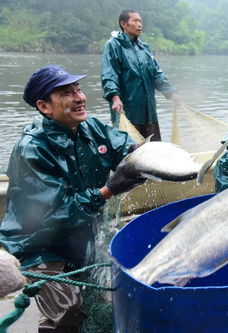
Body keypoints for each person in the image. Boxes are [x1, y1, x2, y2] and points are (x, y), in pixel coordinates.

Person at [0, 65, 145, 332]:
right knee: (67, 311)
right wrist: (108, 190)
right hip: (39, 244)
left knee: (107, 293)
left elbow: (125, 148)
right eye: (67, 93)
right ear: (45, 107)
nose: (80, 97)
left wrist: (143, 157)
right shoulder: (31, 150)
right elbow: (55, 218)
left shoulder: (90, 128)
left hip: (82, 234)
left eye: (78, 89)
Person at [101, 9, 182, 142]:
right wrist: (114, 97)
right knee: (130, 150)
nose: (139, 24)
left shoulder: (144, 48)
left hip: (149, 110)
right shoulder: (114, 45)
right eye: (135, 20)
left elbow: (157, 74)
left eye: (140, 21)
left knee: (153, 150)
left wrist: (171, 92)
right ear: (124, 24)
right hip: (127, 110)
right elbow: (109, 73)